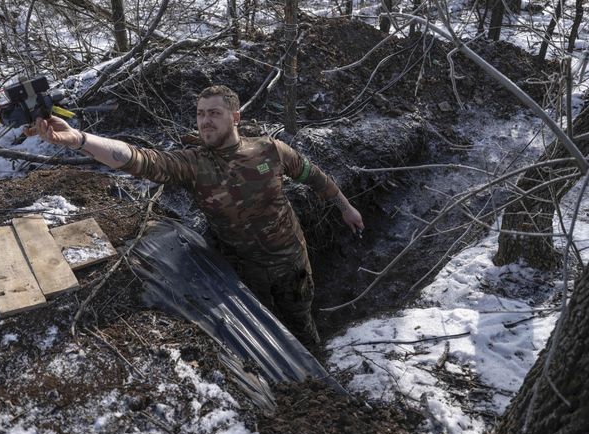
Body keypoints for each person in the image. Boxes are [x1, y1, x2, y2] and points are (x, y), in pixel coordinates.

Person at [34, 85, 363, 347]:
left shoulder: (269, 150)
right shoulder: (193, 164)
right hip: (243, 275)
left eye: (215, 114)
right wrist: (79, 139)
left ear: (234, 117)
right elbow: (138, 159)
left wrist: (346, 207)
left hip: (291, 264)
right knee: (265, 336)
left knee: (302, 329)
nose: (205, 121)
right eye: (200, 114)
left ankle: (320, 377)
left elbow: (313, 176)